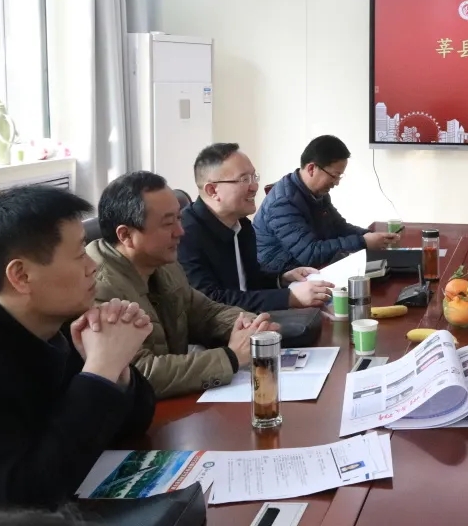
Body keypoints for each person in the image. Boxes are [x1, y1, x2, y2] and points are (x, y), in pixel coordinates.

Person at [0, 187, 155, 510]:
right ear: (21, 275)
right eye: (79, 254)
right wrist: (99, 371)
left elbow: (134, 423)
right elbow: (28, 492)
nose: (93, 266)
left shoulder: (55, 321)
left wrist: (116, 368)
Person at [89, 171, 279, 399]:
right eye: (168, 223)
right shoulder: (96, 288)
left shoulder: (164, 263)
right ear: (125, 235)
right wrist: (231, 357)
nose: (180, 231)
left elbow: (205, 312)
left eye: (179, 219)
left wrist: (249, 325)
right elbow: (139, 373)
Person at [179, 143, 332, 312]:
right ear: (212, 190)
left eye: (254, 177)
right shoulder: (184, 234)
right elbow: (211, 301)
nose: (254, 187)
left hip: (251, 318)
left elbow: (249, 282)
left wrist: (281, 280)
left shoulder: (242, 225)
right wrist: (289, 297)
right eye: (244, 179)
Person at [254, 135, 399, 271]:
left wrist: (373, 236)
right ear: (312, 168)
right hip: (282, 275)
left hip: (309, 268)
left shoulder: (316, 193)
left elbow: (339, 227)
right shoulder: (283, 203)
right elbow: (310, 253)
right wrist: (363, 242)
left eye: (339, 176)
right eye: (334, 176)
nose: (336, 183)